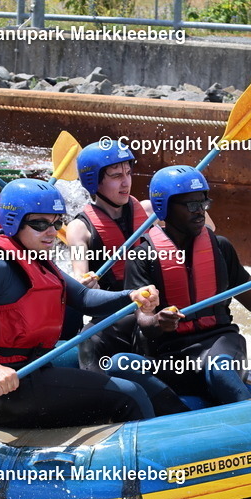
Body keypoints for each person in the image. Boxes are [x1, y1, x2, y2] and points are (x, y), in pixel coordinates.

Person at [0, 178, 166, 429]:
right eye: (40, 224)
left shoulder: (33, 255)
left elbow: (85, 298)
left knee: (96, 369)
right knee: (131, 394)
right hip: (10, 390)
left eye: (57, 223)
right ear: (13, 222)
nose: (52, 232)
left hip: (35, 370)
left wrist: (131, 296)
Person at [118, 165, 251, 406]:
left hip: (218, 343)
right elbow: (143, 320)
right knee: (120, 364)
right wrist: (157, 321)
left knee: (220, 369)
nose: (200, 212)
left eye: (204, 204)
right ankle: (181, 414)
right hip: (170, 355)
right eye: (192, 205)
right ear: (164, 207)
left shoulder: (220, 247)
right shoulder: (142, 256)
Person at [65, 140, 150, 372]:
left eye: (128, 173)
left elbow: (208, 230)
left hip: (154, 302)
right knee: (89, 340)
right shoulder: (79, 229)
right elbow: (80, 277)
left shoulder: (150, 211)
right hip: (118, 309)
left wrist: (184, 197)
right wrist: (85, 282)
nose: (126, 182)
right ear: (94, 181)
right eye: (116, 176)